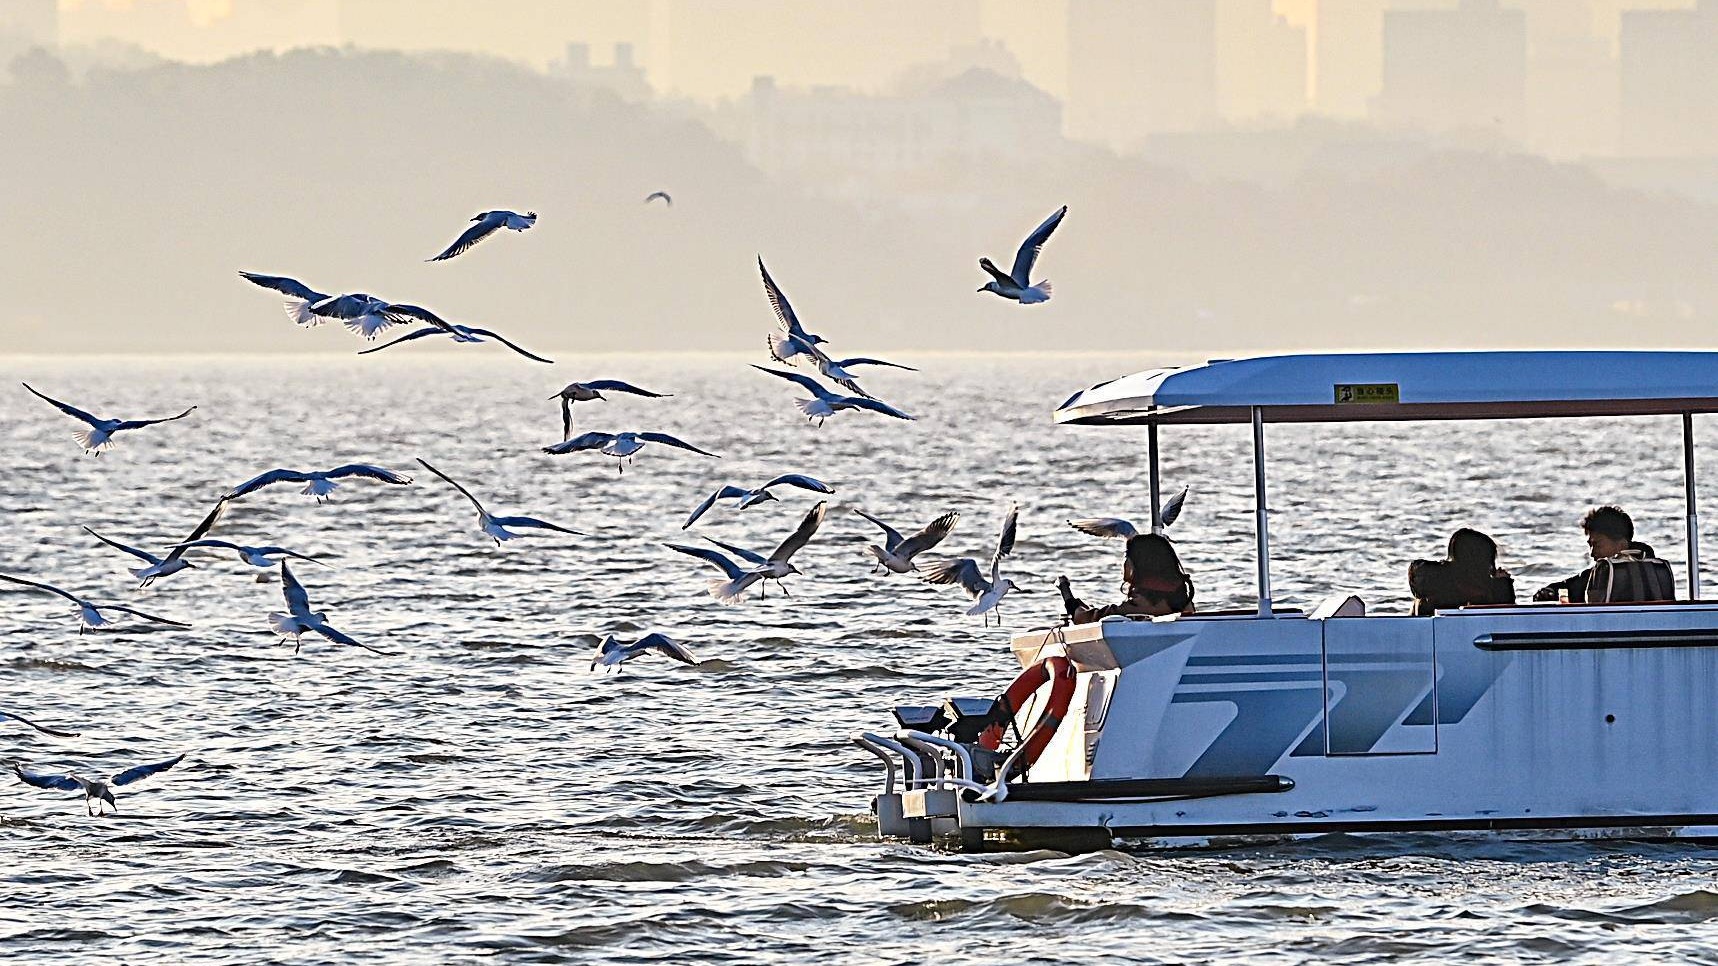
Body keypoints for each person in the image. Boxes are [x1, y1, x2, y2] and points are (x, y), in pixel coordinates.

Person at [1532, 505, 1661, 603]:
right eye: (1590, 545)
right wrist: (1550, 592)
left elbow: (1575, 586)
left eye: (1597, 545)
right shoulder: (1657, 569)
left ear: (1621, 545)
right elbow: (1573, 585)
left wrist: (1549, 593)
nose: (1592, 553)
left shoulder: (1607, 572)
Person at [1057, 532, 1195, 624]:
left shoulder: (1139, 606)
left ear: (1138, 564)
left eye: (1125, 557)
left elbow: (1087, 619)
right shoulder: (1184, 601)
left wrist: (1071, 602)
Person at [1407, 528, 1515, 616]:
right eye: (1490, 562)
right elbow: (1505, 620)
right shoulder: (1474, 594)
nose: (1492, 568)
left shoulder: (1430, 587)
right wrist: (1502, 586)